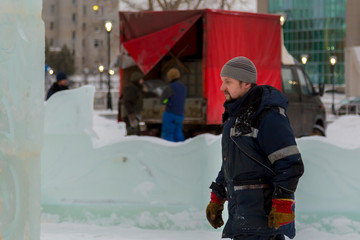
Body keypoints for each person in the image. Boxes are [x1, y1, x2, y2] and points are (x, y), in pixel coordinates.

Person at [206, 57, 304, 240]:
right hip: (243, 219)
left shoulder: (268, 117)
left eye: (228, 82)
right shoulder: (234, 120)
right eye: (222, 81)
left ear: (246, 83)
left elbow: (290, 163)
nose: (222, 88)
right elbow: (232, 163)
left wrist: (283, 202)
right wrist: (217, 196)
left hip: (263, 221)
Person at [160, 68, 187, 142]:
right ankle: (180, 149)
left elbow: (163, 101)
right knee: (178, 133)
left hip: (170, 114)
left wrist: (166, 101)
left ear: (169, 77)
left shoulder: (169, 87)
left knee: (168, 134)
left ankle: (169, 151)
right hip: (180, 115)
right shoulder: (184, 87)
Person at [123, 71, 145, 135]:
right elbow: (127, 102)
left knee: (136, 133)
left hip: (134, 114)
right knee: (132, 134)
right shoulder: (131, 88)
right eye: (141, 79)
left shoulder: (137, 88)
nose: (142, 81)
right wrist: (131, 114)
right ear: (137, 79)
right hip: (131, 115)